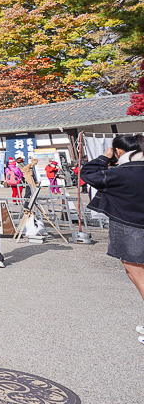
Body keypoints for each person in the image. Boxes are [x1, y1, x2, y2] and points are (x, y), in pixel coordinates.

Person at [81, 134, 144, 346]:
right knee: (134, 273)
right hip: (136, 224)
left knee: (138, 274)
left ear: (119, 152)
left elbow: (88, 173)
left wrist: (103, 157)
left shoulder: (119, 173)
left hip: (129, 227)